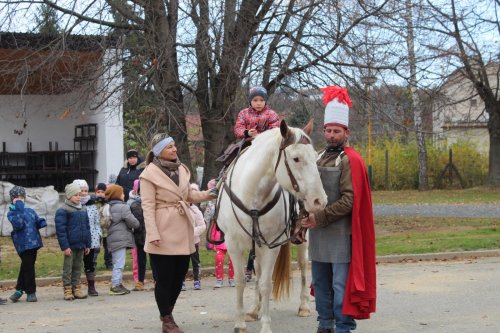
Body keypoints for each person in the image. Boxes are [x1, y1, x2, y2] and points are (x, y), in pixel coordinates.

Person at [300, 86, 376, 333]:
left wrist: (319, 217)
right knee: (321, 282)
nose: (332, 135)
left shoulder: (350, 160)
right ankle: (325, 324)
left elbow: (349, 201)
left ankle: (343, 326)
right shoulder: (317, 156)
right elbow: (306, 193)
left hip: (342, 234)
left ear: (346, 132)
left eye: (337, 131)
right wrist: (304, 219)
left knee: (340, 284)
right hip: (319, 233)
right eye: (328, 130)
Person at [140, 133, 213, 333]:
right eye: (169, 147)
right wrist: (152, 233)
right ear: (158, 151)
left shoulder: (181, 169)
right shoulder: (148, 173)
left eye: (174, 146)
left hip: (183, 228)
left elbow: (189, 195)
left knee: (179, 277)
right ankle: (167, 319)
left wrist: (210, 194)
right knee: (164, 278)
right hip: (162, 231)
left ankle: (167, 314)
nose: (174, 149)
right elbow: (147, 206)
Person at [210, 86, 280, 196]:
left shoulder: (272, 114)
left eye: (261, 100)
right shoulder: (244, 113)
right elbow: (238, 128)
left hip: (266, 144)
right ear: (250, 101)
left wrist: (261, 136)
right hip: (248, 142)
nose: (258, 103)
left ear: (265, 101)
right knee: (232, 155)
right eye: (255, 100)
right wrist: (247, 133)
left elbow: (275, 129)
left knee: (282, 157)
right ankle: (218, 182)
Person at [7, 185, 47, 303]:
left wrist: (40, 222)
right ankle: (31, 292)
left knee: (26, 266)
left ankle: (19, 290)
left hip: (34, 243)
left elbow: (35, 219)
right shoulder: (12, 213)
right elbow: (18, 224)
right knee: (28, 267)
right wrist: (18, 208)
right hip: (22, 245)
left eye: (21, 197)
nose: (19, 199)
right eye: (16, 198)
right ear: (12, 199)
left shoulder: (30, 210)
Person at [55, 183, 91, 301]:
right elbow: (61, 230)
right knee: (68, 268)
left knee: (77, 267)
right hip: (70, 246)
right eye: (75, 195)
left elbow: (87, 227)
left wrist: (87, 244)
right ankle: (67, 289)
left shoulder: (83, 209)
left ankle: (77, 288)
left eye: (79, 194)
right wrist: (65, 246)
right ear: (69, 196)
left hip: (81, 244)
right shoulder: (63, 210)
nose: (78, 197)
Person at [105, 184, 140, 296]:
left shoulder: (108, 206)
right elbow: (132, 221)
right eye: (122, 193)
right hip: (120, 239)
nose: (124, 195)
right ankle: (115, 285)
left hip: (112, 238)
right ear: (117, 195)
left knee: (117, 262)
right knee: (119, 263)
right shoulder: (122, 207)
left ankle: (119, 283)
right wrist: (137, 224)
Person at [73, 179, 101, 296]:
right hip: (78, 239)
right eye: (81, 191)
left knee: (90, 264)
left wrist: (98, 234)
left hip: (92, 239)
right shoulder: (74, 205)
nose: (84, 193)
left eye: (86, 190)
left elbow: (96, 222)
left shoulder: (92, 205)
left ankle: (91, 287)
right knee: (77, 264)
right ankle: (75, 287)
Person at [181, 183, 206, 291]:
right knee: (182, 263)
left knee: (195, 262)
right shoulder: (180, 208)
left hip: (193, 241)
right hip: (181, 241)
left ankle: (197, 280)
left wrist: (192, 232)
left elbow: (202, 225)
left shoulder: (196, 211)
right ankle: (181, 281)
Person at [129, 179, 148, 291]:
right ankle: (140, 281)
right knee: (140, 260)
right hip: (139, 236)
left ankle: (157, 280)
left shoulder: (154, 203)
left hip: (152, 236)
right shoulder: (134, 205)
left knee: (155, 260)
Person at [95, 182, 112, 269]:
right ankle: (93, 263)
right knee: (95, 247)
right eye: (98, 192)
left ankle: (108, 263)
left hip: (106, 230)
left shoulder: (108, 204)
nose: (100, 194)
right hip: (96, 230)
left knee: (108, 247)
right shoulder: (93, 204)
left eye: (102, 192)